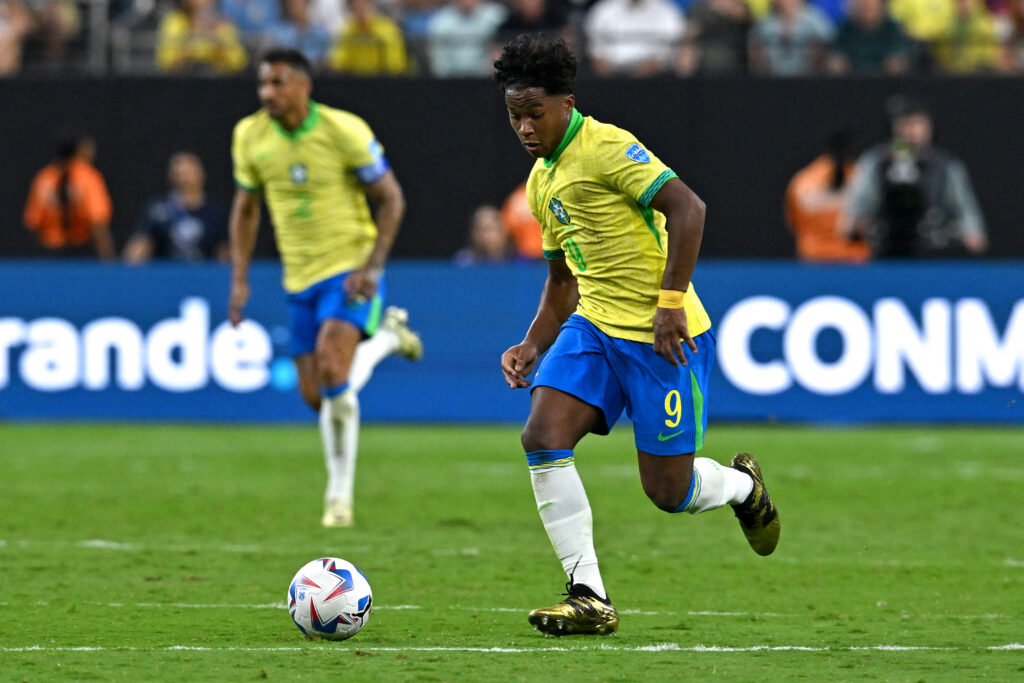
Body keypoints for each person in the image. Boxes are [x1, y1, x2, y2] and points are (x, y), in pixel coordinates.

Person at [494, 34, 780, 637]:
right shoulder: (540, 183)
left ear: (565, 103)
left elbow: (690, 209)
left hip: (661, 340)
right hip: (595, 327)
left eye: (533, 112)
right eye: (514, 114)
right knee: (541, 435)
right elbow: (562, 281)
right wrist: (531, 344)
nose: (523, 126)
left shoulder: (607, 147)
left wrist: (672, 300)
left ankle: (740, 487)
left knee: (668, 491)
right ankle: (587, 594)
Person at [228, 47, 423, 528]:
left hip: (349, 267)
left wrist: (373, 268)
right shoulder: (249, 136)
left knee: (334, 369)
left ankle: (338, 498)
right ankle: (386, 342)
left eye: (276, 83)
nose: (267, 93)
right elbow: (246, 210)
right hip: (299, 278)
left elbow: (392, 199)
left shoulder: (344, 130)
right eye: (262, 84)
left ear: (302, 85)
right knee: (318, 397)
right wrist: (239, 278)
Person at [841, 95, 988, 257]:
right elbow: (860, 201)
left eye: (917, 124)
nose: (911, 131)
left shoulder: (946, 165)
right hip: (886, 242)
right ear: (894, 128)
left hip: (934, 245)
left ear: (929, 127)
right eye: (905, 124)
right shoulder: (876, 161)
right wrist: (855, 222)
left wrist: (973, 231)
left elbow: (964, 205)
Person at [123, 152, 230, 264]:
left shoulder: (215, 211)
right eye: (179, 174)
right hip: (168, 275)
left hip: (202, 275)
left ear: (201, 175)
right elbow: (139, 246)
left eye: (189, 173)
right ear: (171, 177)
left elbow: (224, 250)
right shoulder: (158, 210)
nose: (185, 180)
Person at [23, 133, 115, 260]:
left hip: (51, 254)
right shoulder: (88, 177)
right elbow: (98, 222)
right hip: (82, 254)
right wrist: (107, 259)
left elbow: (33, 224)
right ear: (79, 150)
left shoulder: (44, 178)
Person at [784, 130, 871, 262]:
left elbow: (793, 220)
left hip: (820, 256)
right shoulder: (863, 178)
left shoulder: (804, 178)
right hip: (826, 257)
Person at [583, 0, 686, 76]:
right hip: (609, 80)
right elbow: (595, 50)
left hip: (655, 81)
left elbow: (670, 52)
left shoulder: (667, 12)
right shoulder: (602, 11)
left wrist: (645, 71)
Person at [155, 0, 248, 73]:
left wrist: (217, 42)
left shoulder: (223, 24)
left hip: (219, 86)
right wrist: (193, 38)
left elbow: (238, 63)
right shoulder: (175, 22)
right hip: (179, 85)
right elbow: (165, 62)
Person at [826, 0, 912, 75]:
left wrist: (895, 63)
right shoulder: (846, 28)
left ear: (881, 7)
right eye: (863, 7)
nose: (867, 11)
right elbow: (836, 54)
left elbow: (900, 55)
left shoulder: (892, 28)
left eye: (871, 8)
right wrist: (837, 63)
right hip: (851, 82)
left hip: (887, 83)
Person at [327, 0, 410, 75]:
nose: (361, 12)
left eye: (364, 7)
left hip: (383, 79)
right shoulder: (347, 30)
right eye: (356, 8)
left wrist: (370, 30)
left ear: (371, 6)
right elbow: (337, 62)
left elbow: (396, 64)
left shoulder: (387, 27)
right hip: (354, 80)